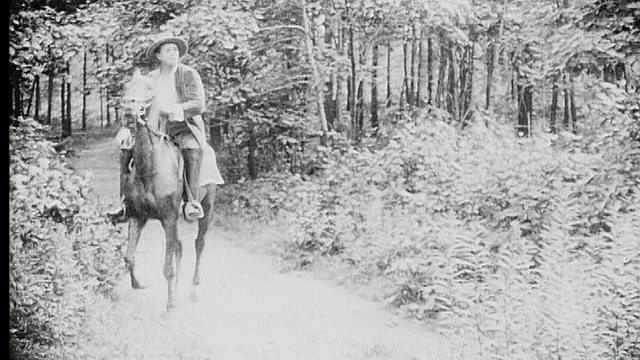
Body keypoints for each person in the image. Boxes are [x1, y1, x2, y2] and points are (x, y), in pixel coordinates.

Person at [108, 35, 208, 223]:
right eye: (168, 50)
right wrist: (126, 127)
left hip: (184, 128)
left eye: (175, 50)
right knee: (126, 149)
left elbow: (198, 104)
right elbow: (133, 102)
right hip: (155, 129)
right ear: (159, 55)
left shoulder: (188, 74)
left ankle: (191, 201)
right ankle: (124, 202)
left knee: (192, 149)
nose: (173, 53)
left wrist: (176, 110)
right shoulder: (149, 79)